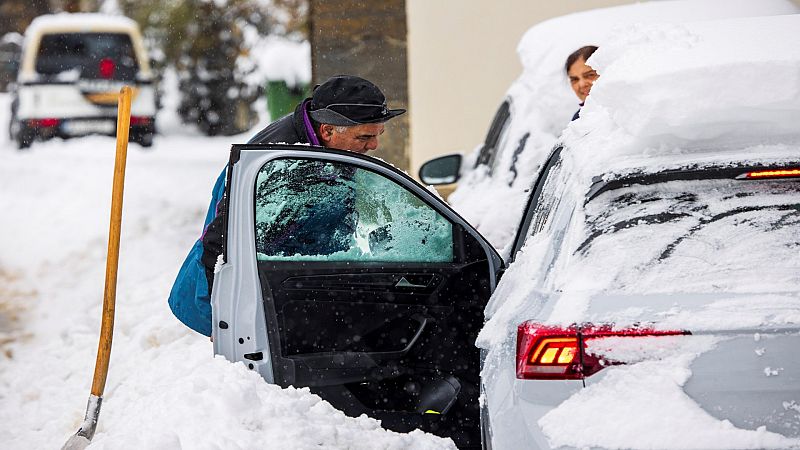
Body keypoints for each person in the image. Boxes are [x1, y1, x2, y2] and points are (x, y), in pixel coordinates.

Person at [168, 75, 406, 336]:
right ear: (327, 130)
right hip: (231, 302)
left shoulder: (322, 141)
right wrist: (231, 323)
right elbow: (224, 240)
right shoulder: (281, 168)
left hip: (301, 281)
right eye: (364, 137)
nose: (374, 145)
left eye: (377, 135)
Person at [565, 45, 599, 121]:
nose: (582, 84)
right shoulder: (578, 119)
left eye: (590, 75)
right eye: (575, 79)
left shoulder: (624, 111)